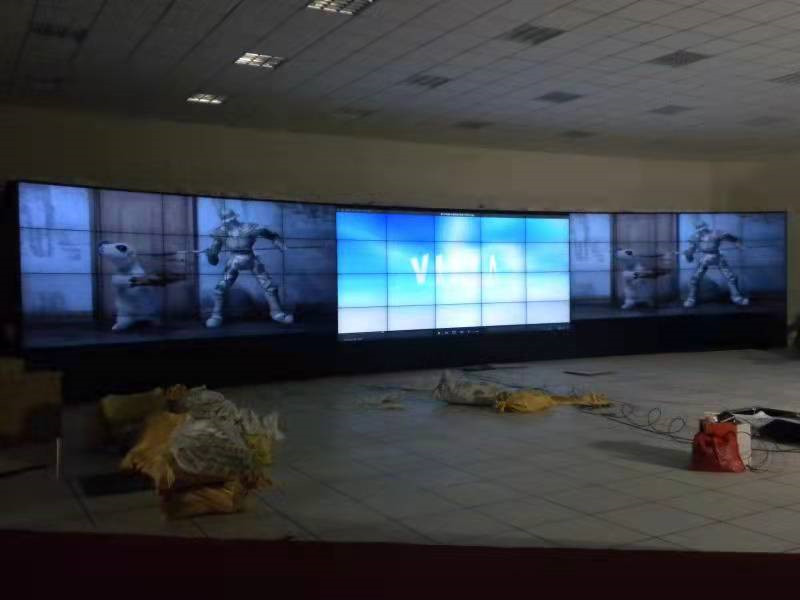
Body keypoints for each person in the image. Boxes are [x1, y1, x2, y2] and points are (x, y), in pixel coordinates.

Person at [203, 208, 294, 328]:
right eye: (227, 221)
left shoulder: (250, 228)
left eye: (231, 220)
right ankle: (216, 315)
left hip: (251, 259)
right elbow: (214, 260)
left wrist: (280, 245)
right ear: (223, 221)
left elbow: (271, 235)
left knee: (269, 286)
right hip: (234, 262)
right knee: (220, 288)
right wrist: (211, 255)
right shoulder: (220, 233)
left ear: (235, 218)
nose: (230, 223)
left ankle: (277, 314)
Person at [683, 221, 749, 308]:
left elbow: (731, 238)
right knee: (694, 279)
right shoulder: (695, 237)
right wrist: (688, 254)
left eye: (702, 228)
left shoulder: (716, 233)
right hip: (705, 258)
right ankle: (691, 299)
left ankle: (737, 298)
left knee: (731, 277)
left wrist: (738, 243)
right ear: (696, 229)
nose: (701, 230)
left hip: (717, 256)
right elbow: (690, 254)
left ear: (706, 227)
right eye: (699, 228)